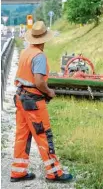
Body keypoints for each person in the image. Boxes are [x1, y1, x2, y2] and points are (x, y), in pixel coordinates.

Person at [10, 21, 73, 183]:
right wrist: (49, 91)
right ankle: (54, 173)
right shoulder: (39, 56)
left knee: (22, 136)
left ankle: (18, 172)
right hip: (33, 102)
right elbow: (38, 81)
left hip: (20, 98)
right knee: (44, 135)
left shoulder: (26, 52)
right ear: (44, 39)